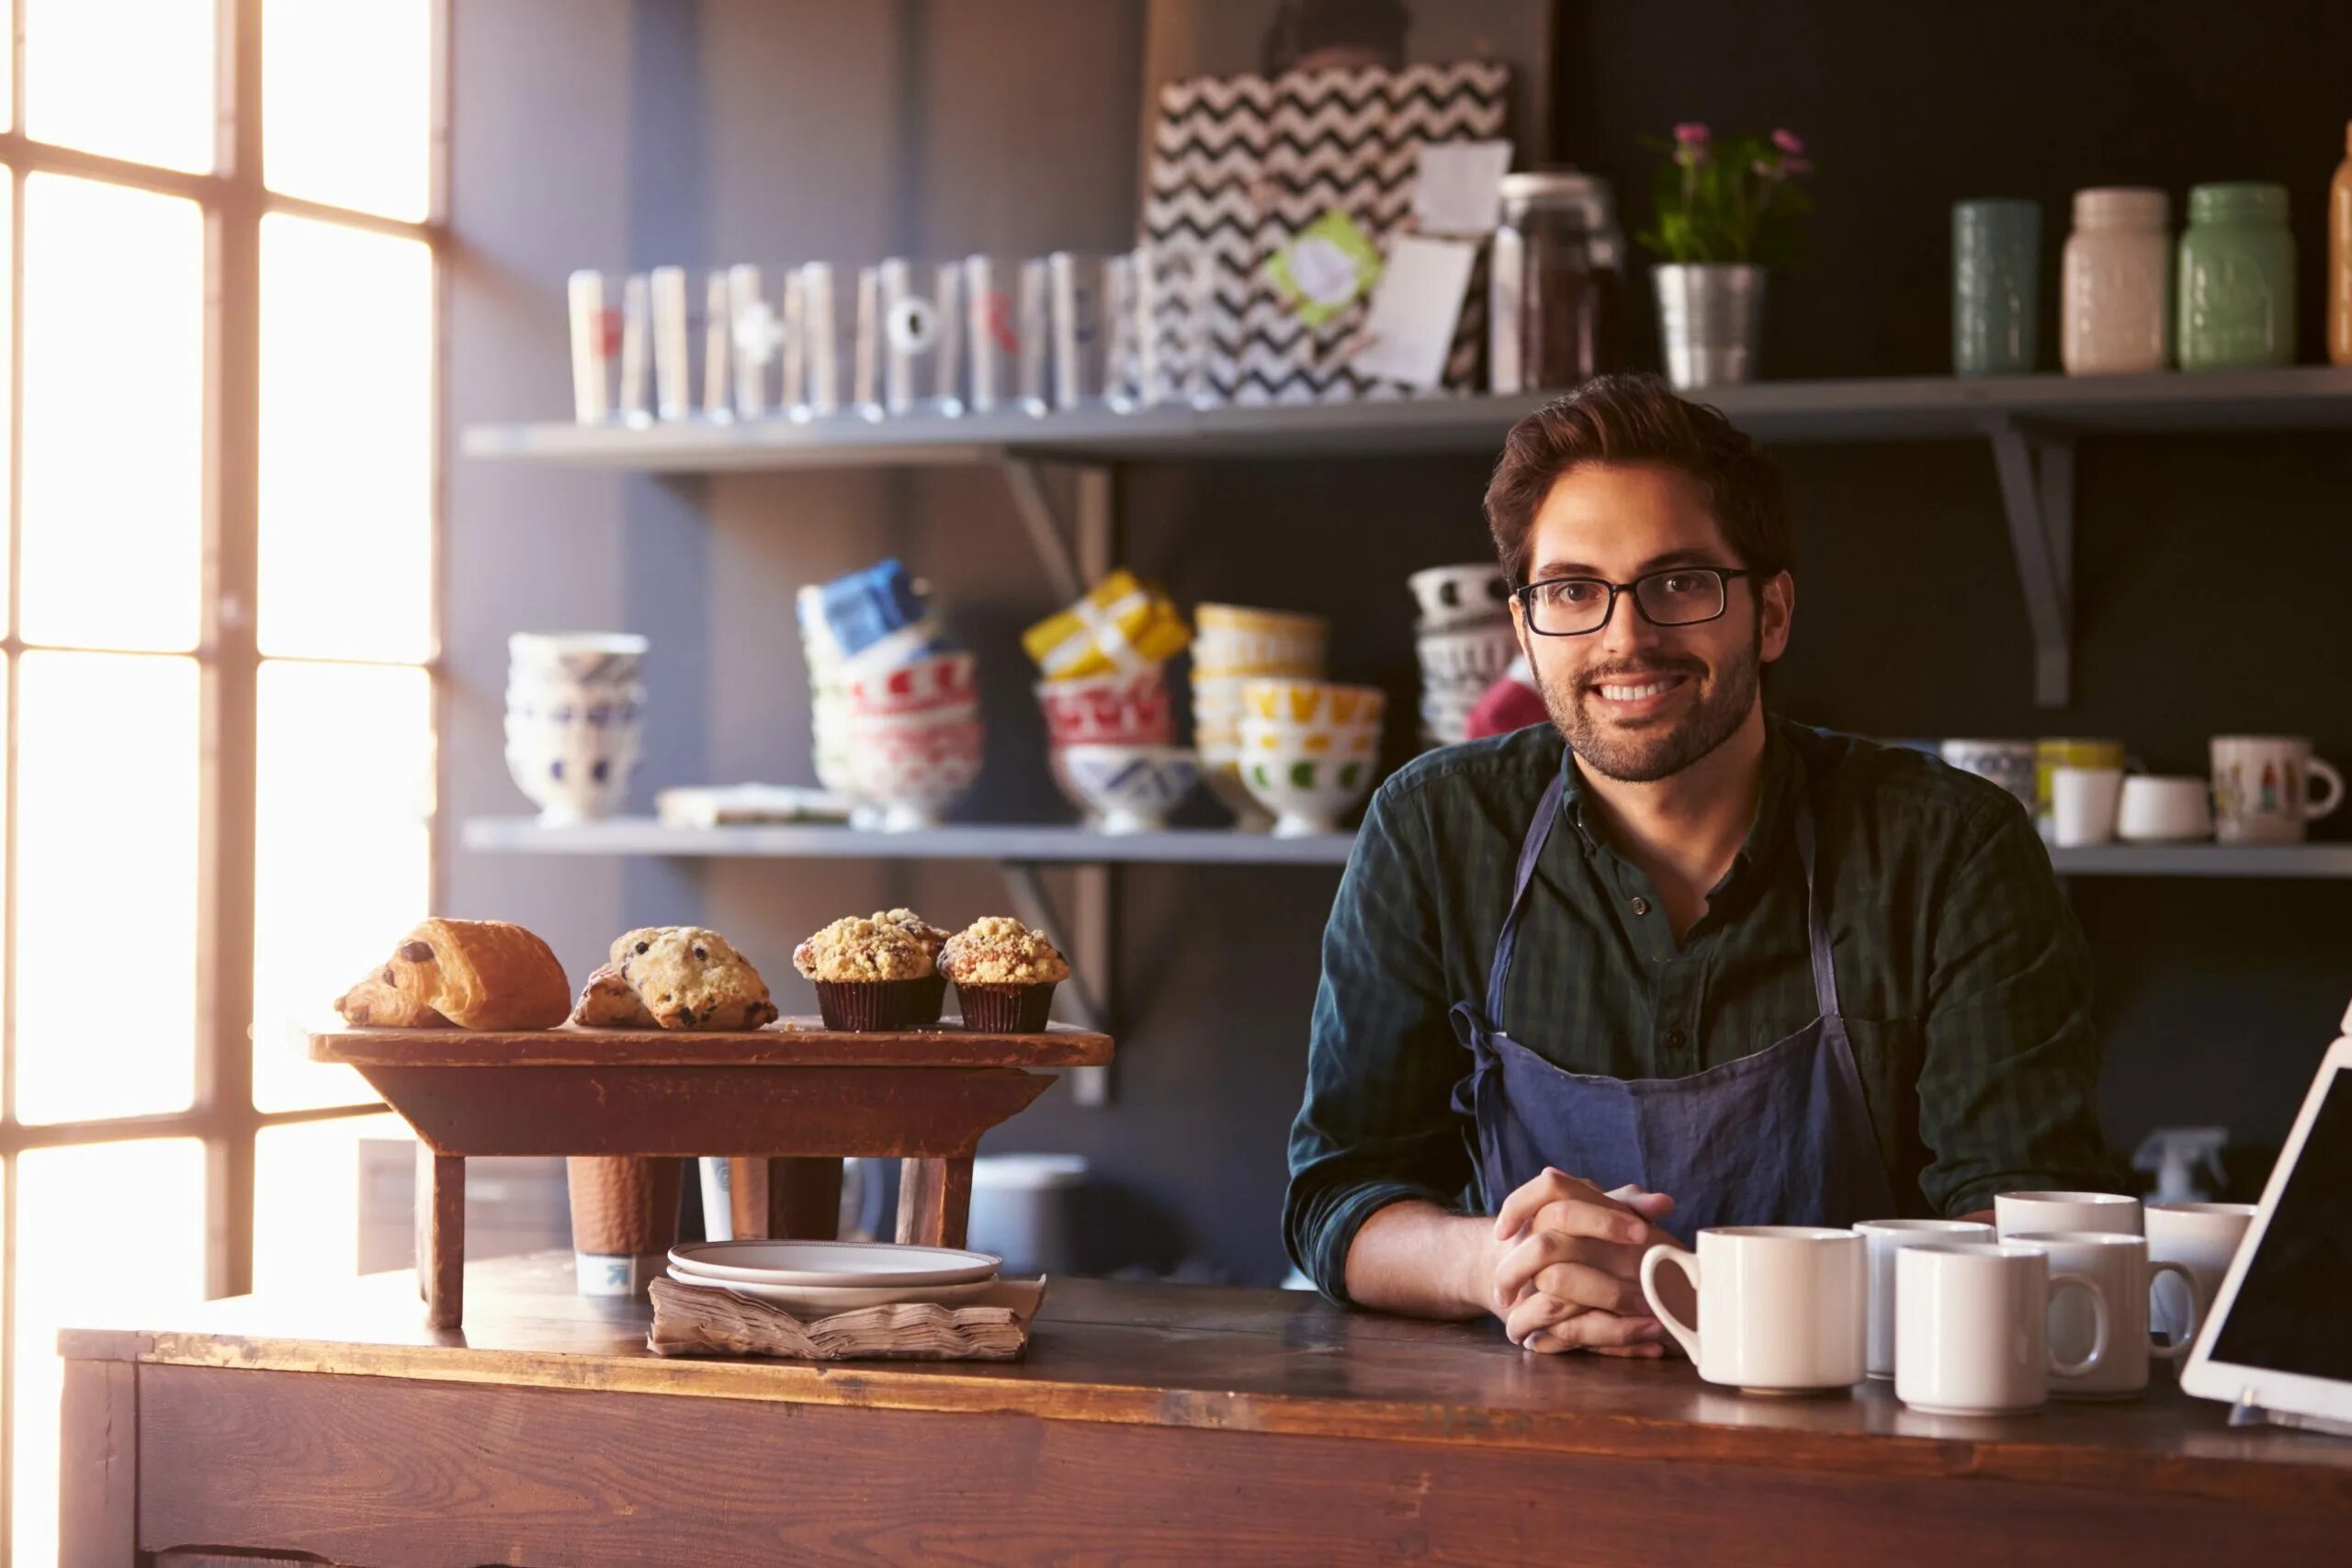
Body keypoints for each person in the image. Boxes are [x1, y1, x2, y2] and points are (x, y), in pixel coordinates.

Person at [1284, 374, 2115, 1355]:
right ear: (1525, 629)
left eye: (1678, 582)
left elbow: (2029, 1220)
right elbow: (1338, 1196)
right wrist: (1490, 1263)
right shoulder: (1433, 829)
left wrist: (1743, 1301)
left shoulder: (1946, 846)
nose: (1625, 636)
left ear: (1769, 614)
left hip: (1863, 1450)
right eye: (1572, 592)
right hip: (1524, 1448)